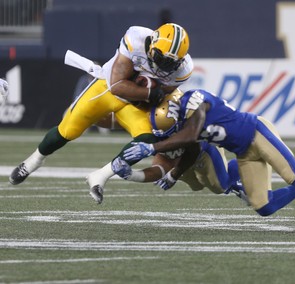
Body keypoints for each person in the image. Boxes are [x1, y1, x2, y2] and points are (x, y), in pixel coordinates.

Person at [122, 89, 295, 238]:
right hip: (243, 152)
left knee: (294, 175)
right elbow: (191, 146)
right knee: (264, 207)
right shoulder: (183, 123)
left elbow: (189, 135)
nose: (173, 131)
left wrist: (152, 148)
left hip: (257, 133)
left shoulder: (194, 100)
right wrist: (173, 173)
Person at [9, 23, 193, 188]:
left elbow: (162, 98)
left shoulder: (182, 71)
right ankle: (33, 162)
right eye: (160, 57)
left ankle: (101, 175)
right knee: (67, 130)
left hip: (135, 106)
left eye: (170, 62)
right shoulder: (135, 39)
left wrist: (156, 100)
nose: (163, 64)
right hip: (105, 88)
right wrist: (150, 93)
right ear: (151, 42)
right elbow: (116, 86)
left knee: (146, 140)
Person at [87, 90, 248, 204]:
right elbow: (160, 169)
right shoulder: (154, 128)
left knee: (219, 186)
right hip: (182, 160)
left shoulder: (188, 120)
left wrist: (174, 174)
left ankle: (237, 171)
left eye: (170, 132)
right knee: (197, 186)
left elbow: (192, 150)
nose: (167, 138)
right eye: (163, 134)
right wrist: (131, 175)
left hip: (203, 151)